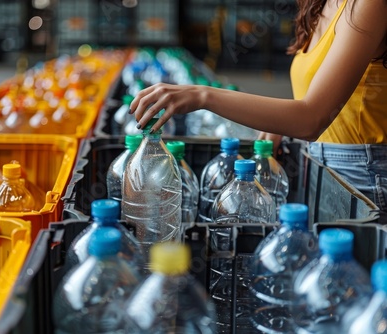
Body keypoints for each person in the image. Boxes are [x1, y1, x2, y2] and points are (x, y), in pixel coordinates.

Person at [130, 0, 387, 223]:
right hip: (321, 166)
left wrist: (201, 95)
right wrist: (283, 126)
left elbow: (312, 119)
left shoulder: (367, 5)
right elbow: (326, 103)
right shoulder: (321, 4)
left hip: (363, 178)